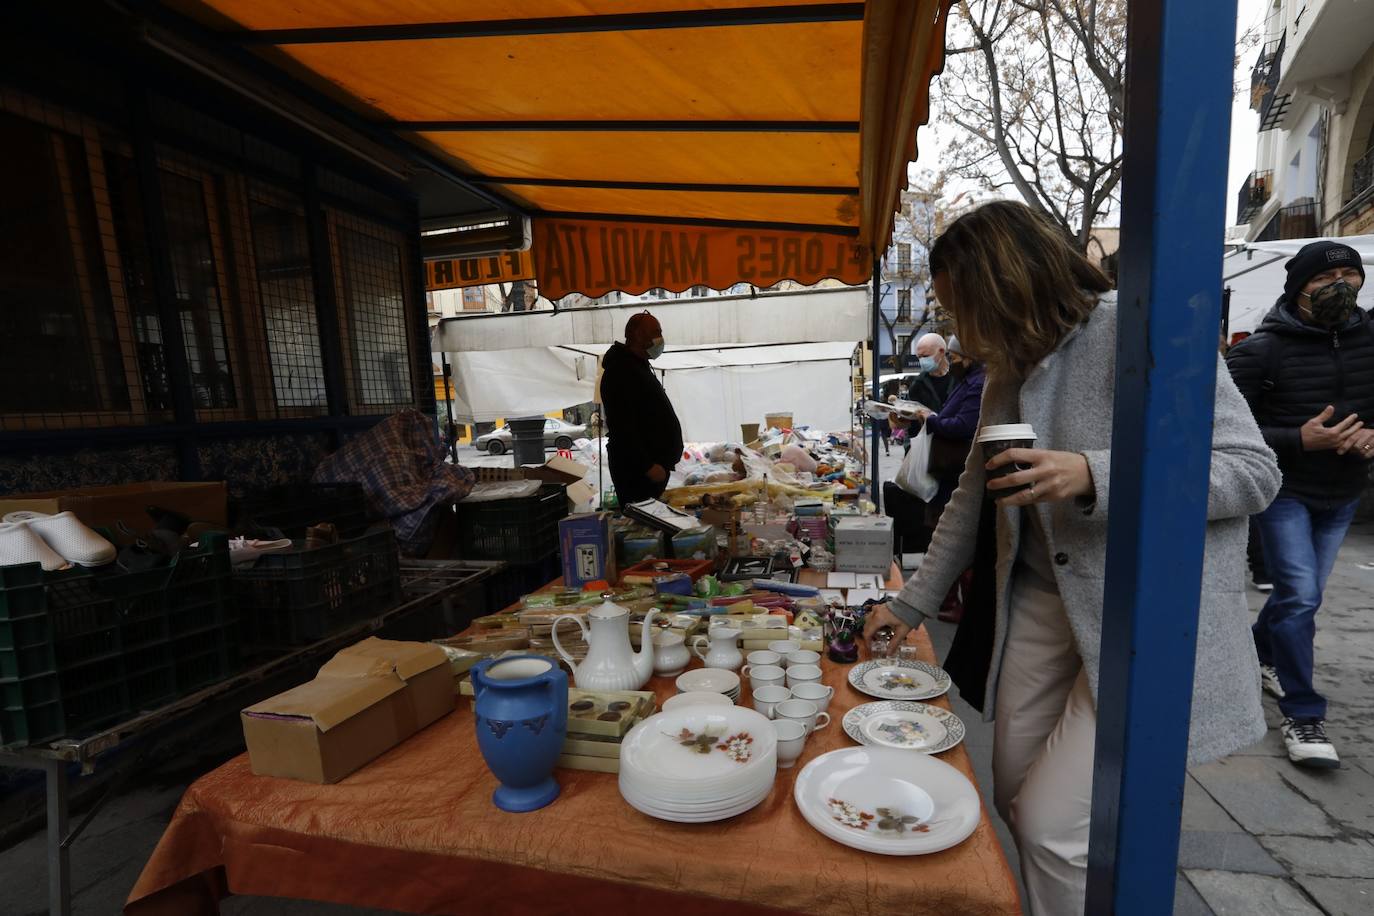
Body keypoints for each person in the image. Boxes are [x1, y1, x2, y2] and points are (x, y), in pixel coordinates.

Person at [862, 201, 1279, 914]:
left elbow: (1252, 471)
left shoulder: (1135, 330)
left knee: (1052, 824)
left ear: (1005, 284)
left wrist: (1095, 474)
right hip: (1038, 604)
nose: (957, 329)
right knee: (1015, 793)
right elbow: (971, 499)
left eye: (961, 306)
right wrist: (906, 605)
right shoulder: (1007, 367)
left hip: (1133, 621)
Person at [1224, 239, 1374, 770]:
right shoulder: (1260, 351)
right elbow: (1226, 431)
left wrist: (1370, 436)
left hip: (1343, 493)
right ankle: (1303, 713)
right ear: (1298, 289)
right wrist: (1298, 440)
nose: (1341, 289)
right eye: (1325, 281)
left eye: (1351, 278)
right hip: (1284, 489)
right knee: (1302, 595)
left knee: (1297, 598)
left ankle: (1257, 653)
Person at [892, 335, 987, 622]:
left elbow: (961, 425)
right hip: (941, 462)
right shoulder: (941, 381)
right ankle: (948, 599)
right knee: (939, 526)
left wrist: (928, 418)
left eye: (925, 354)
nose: (922, 360)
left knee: (947, 529)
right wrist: (907, 418)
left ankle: (957, 602)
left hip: (955, 466)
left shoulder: (976, 382)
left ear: (946, 353)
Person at [598, 311, 684, 505]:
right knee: (642, 529)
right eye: (656, 331)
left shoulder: (638, 367)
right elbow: (622, 425)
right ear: (638, 335)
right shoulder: (620, 371)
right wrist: (647, 466)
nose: (660, 338)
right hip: (638, 472)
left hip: (651, 469)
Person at [905, 332, 955, 411]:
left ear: (941, 352)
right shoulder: (918, 383)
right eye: (919, 357)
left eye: (925, 356)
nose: (922, 361)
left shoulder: (960, 378)